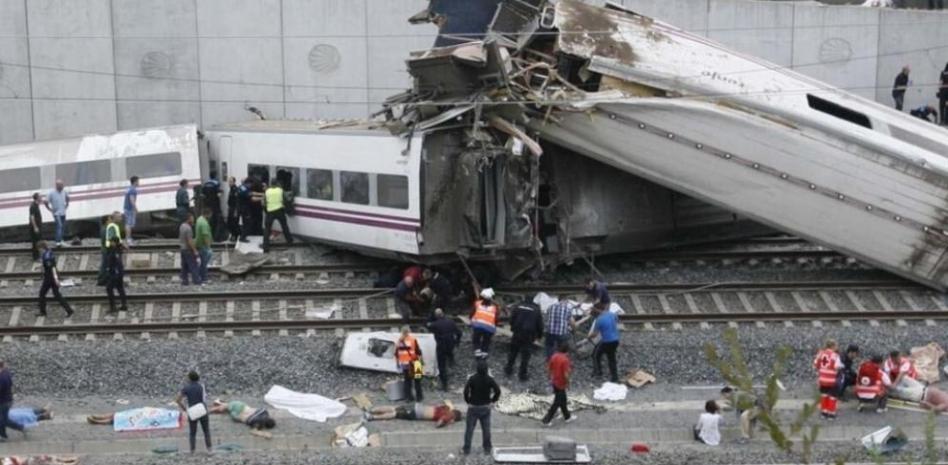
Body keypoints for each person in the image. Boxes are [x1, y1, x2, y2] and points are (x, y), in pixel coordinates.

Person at [462, 360, 501, 455]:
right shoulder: (489, 379)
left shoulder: (472, 378)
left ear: (477, 369)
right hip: (485, 407)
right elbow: (498, 391)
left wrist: (468, 401)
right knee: (486, 429)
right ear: (487, 369)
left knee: (469, 430)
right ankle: (487, 448)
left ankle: (466, 449)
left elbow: (466, 391)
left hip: (473, 407)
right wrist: (493, 401)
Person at [505, 297, 543, 381]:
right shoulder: (536, 309)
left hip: (517, 333)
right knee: (525, 356)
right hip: (529, 335)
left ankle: (508, 369)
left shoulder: (518, 306)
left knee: (513, 352)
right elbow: (539, 324)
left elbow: (511, 319)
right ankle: (522, 374)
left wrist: (513, 328)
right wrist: (539, 335)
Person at [175, 371, 211, 454]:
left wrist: (184, 409)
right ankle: (209, 449)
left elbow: (177, 400)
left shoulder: (186, 388)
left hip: (192, 411)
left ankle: (192, 450)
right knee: (206, 431)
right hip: (202, 409)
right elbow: (204, 399)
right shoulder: (202, 387)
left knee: (192, 432)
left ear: (190, 378)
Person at [427, 308, 462, 391]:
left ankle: (445, 385)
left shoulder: (434, 325)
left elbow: (427, 325)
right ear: (443, 313)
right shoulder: (451, 322)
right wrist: (457, 342)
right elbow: (459, 333)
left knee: (442, 366)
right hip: (450, 345)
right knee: (449, 354)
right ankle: (451, 361)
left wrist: (430, 317)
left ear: (436, 316)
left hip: (441, 346)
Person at [37, 241, 74, 318]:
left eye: (39, 249)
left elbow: (52, 268)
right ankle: (69, 310)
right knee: (57, 295)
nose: (39, 251)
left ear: (42, 248)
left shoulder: (47, 256)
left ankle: (43, 312)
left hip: (50, 278)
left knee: (42, 294)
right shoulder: (49, 252)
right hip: (52, 276)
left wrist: (55, 279)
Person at [542, 342, 576, 426]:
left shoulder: (554, 356)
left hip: (555, 382)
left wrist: (549, 377)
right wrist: (568, 383)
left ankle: (567, 416)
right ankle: (547, 420)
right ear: (567, 350)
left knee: (563, 399)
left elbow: (549, 368)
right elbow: (566, 374)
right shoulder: (565, 360)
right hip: (561, 383)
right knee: (557, 402)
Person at [364, 401, 461, 428]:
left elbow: (443, 405)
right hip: (416, 413)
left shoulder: (446, 408)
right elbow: (438, 424)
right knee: (395, 414)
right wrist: (448, 422)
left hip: (416, 406)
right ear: (454, 417)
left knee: (393, 408)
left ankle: (371, 410)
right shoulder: (448, 416)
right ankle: (372, 417)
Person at [587, 307, 620, 383]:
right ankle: (615, 377)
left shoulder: (599, 320)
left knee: (595, 355)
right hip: (616, 340)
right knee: (611, 358)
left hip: (606, 341)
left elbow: (595, 334)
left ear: (595, 315)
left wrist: (589, 337)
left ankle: (598, 372)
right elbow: (617, 321)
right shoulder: (612, 314)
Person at [104, 212, 128, 313]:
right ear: (114, 218)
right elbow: (114, 239)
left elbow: (113, 240)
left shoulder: (112, 226)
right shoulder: (113, 226)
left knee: (109, 287)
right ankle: (124, 305)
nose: (121, 218)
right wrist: (121, 246)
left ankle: (113, 307)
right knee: (119, 286)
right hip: (117, 265)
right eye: (119, 217)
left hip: (114, 266)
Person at [262, 180, 293, 253]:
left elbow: (264, 203)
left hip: (270, 212)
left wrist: (266, 211)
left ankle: (265, 247)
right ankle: (289, 241)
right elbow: (286, 199)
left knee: (267, 229)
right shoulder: (280, 190)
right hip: (279, 211)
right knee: (284, 226)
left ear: (271, 184)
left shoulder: (267, 191)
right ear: (277, 184)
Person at [813, 339, 841, 419]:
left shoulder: (820, 354)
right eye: (836, 346)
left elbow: (815, 365)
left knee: (824, 395)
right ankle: (831, 413)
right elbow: (837, 366)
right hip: (831, 379)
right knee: (832, 396)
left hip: (822, 379)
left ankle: (824, 412)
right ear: (833, 346)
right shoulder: (835, 355)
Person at [0, 360, 27, 441]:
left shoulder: (2, 377)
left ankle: (21, 427)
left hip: (4, 402)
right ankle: (3, 436)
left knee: (4, 420)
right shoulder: (6, 372)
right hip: (7, 400)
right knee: (2, 419)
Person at [395, 327, 423, 402]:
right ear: (409, 331)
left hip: (405, 364)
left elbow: (396, 354)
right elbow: (418, 352)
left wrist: (398, 364)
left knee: (407, 381)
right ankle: (419, 397)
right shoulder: (413, 339)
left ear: (401, 332)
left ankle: (408, 397)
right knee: (417, 381)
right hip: (415, 362)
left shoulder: (399, 341)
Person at [470, 287, 499, 358]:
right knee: (486, 340)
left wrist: (471, 321)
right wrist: (495, 327)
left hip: (478, 326)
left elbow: (471, 314)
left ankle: (477, 350)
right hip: (489, 327)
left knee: (476, 338)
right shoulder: (495, 307)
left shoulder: (477, 303)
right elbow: (496, 319)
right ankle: (484, 352)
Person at [209, 399, 275, 430]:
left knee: (228, 406)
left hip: (242, 406)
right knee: (227, 407)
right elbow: (252, 425)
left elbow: (262, 409)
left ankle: (219, 404)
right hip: (240, 412)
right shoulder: (256, 421)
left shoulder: (264, 412)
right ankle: (218, 404)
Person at [545, 295, 576, 359]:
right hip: (561, 333)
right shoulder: (567, 309)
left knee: (549, 346)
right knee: (562, 346)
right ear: (565, 300)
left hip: (550, 332)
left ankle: (550, 359)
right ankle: (560, 359)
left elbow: (548, 318)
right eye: (567, 301)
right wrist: (573, 330)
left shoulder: (550, 307)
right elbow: (572, 322)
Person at [44, 179, 69, 247]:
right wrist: (50, 209)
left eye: (62, 185)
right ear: (57, 185)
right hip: (56, 213)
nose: (62, 186)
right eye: (61, 185)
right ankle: (58, 242)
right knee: (59, 226)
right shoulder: (51, 193)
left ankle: (60, 240)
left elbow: (67, 197)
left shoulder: (64, 191)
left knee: (62, 227)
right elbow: (45, 201)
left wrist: (67, 204)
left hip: (63, 212)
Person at [179, 213, 201, 285]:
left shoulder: (182, 226)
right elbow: (189, 241)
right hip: (188, 249)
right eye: (192, 218)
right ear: (188, 219)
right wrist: (195, 250)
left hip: (182, 249)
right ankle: (196, 280)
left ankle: (184, 281)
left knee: (184, 266)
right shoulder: (188, 228)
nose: (193, 219)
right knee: (193, 265)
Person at [194, 208, 213, 285]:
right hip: (203, 245)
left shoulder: (199, 219)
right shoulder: (204, 223)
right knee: (204, 264)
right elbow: (205, 235)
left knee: (201, 263)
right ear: (208, 214)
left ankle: (199, 277)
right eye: (210, 215)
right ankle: (204, 279)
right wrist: (208, 246)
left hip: (199, 244)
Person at [202, 172, 222, 239]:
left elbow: (203, 194)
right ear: (215, 176)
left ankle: (209, 234)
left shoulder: (206, 183)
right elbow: (218, 194)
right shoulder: (216, 183)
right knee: (216, 219)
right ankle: (216, 236)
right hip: (215, 204)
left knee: (209, 219)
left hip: (207, 204)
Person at [123, 176, 139, 246]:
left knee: (128, 224)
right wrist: (135, 208)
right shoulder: (133, 190)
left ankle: (128, 239)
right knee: (129, 224)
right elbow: (132, 200)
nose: (139, 183)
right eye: (138, 181)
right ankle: (128, 240)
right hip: (129, 209)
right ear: (135, 182)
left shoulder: (129, 188)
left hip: (127, 208)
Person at [226, 177, 241, 242]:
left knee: (234, 223)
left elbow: (237, 201)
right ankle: (233, 234)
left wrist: (236, 211)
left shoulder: (235, 190)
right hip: (231, 208)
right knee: (230, 222)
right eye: (229, 182)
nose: (229, 183)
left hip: (235, 209)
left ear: (234, 182)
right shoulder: (231, 189)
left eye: (231, 182)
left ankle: (235, 236)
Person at [28, 193, 42, 261]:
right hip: (34, 227)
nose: (41, 198)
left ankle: (38, 256)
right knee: (35, 242)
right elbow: (32, 217)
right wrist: (35, 227)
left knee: (38, 241)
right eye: (40, 197)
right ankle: (36, 257)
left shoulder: (36, 205)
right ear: (37, 198)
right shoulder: (33, 206)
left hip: (37, 226)